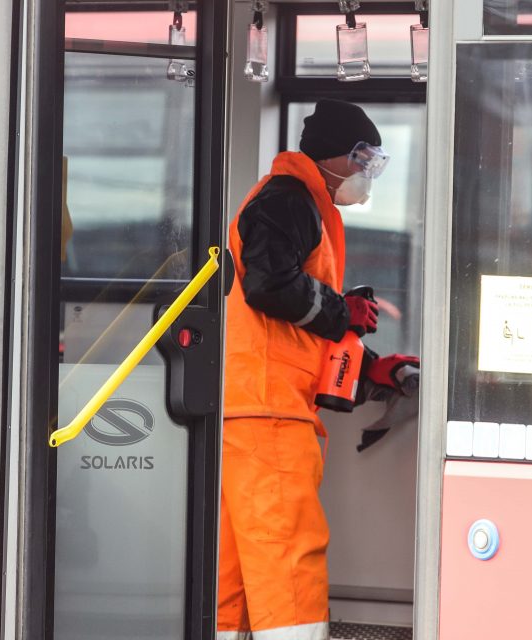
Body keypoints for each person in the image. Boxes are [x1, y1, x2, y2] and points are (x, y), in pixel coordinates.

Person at [218, 99, 418, 640]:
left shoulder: (299, 202)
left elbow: (297, 320)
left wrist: (371, 367)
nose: (365, 175)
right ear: (338, 155)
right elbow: (269, 285)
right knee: (288, 555)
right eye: (364, 161)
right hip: (269, 412)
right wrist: (341, 311)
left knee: (234, 572)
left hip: (252, 406)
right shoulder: (290, 200)